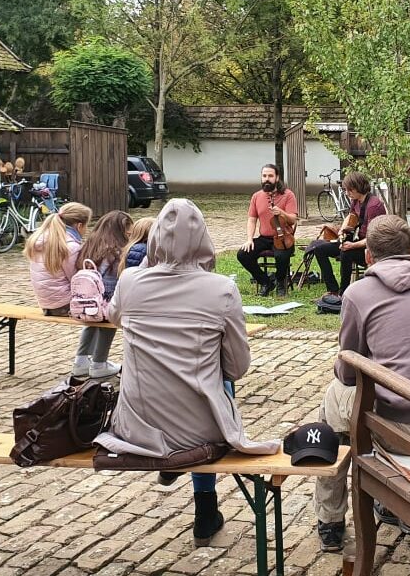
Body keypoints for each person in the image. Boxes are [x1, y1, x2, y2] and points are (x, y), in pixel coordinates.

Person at [95, 199, 280, 546]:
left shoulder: (131, 281)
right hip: (198, 429)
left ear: (153, 240)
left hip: (136, 424)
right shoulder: (221, 289)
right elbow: (238, 367)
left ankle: (180, 474)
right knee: (218, 382)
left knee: (190, 381)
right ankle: (205, 510)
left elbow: (113, 316)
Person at [313, 215, 410, 556]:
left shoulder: (358, 293)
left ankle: (330, 520)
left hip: (407, 427)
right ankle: (387, 504)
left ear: (368, 255)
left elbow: (348, 371)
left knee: (335, 404)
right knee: (350, 403)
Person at [24, 202, 118, 379]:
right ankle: (99, 363)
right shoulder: (70, 246)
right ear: (79, 225)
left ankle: (81, 362)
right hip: (62, 304)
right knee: (105, 312)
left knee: (94, 309)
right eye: (86, 226)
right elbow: (79, 282)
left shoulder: (42, 238)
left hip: (47, 303)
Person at [72, 210, 132, 378]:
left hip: (87, 302)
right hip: (105, 300)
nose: (129, 233)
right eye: (128, 229)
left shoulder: (91, 244)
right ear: (120, 229)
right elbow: (116, 280)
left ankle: (80, 361)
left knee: (91, 322)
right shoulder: (115, 250)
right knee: (109, 322)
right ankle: (99, 363)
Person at [309, 171, 387, 297]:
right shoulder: (356, 200)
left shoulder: (374, 206)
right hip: (355, 240)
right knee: (319, 249)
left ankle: (343, 293)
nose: (347, 193)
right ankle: (333, 289)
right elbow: (351, 216)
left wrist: (351, 246)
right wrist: (342, 230)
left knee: (346, 252)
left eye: (349, 190)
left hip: (370, 248)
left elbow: (374, 238)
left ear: (358, 187)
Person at [237, 164, 299, 297]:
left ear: (277, 178)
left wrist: (281, 212)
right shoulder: (256, 196)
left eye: (270, 176)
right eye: (264, 176)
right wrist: (249, 239)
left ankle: (281, 282)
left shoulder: (288, 195)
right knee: (243, 254)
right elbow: (252, 219)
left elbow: (293, 219)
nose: (267, 179)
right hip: (264, 237)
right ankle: (266, 282)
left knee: (281, 255)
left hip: (283, 237)